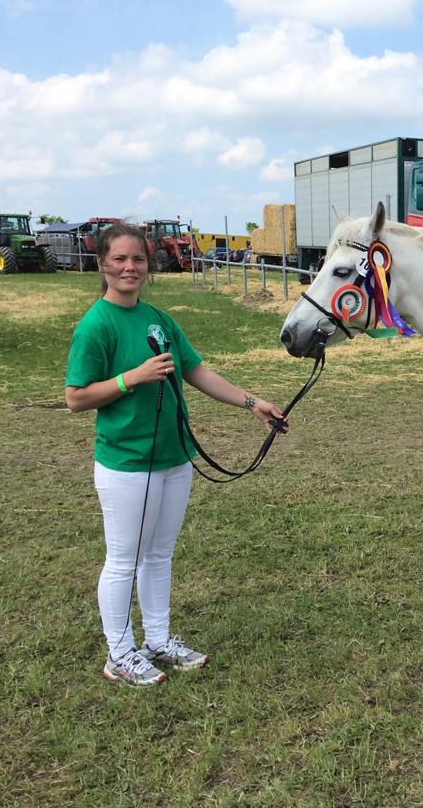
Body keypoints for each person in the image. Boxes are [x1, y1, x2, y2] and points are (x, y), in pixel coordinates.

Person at [65, 222, 288, 687]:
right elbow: (76, 397)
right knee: (124, 560)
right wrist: (132, 378)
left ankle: (158, 641)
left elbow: (196, 371)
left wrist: (252, 403)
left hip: (173, 456)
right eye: (120, 259)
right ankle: (119, 654)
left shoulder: (158, 319)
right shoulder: (96, 326)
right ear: (102, 264)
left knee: (159, 555)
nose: (130, 267)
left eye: (138, 259)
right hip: (127, 463)